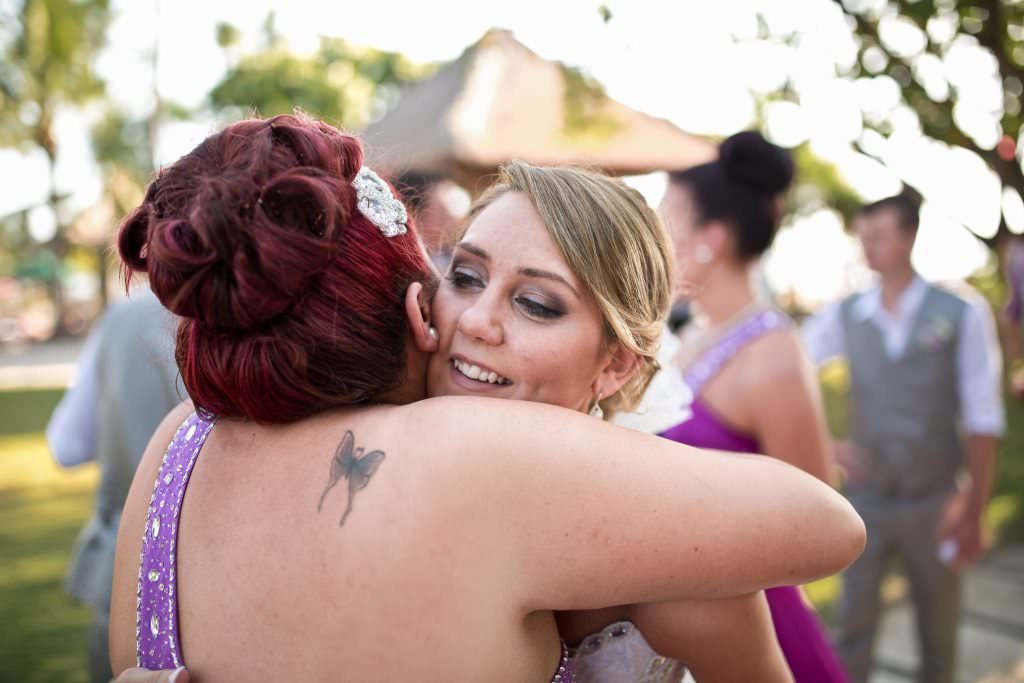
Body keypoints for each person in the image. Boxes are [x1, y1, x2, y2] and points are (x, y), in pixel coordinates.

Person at [107, 114, 864, 681]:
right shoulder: (474, 456)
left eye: (537, 304)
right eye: (463, 276)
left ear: (615, 364)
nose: (475, 318)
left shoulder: (180, 443)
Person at [605, 130, 848, 683]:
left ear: (710, 239)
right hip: (673, 611)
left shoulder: (776, 358)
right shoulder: (692, 339)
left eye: (667, 221)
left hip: (754, 621)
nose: (655, 240)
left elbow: (819, 519)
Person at [802, 193, 1005, 683]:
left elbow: (984, 415)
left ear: (909, 237)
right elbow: (789, 370)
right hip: (865, 503)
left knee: (938, 636)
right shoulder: (846, 315)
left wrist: (973, 511)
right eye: (863, 237)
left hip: (936, 501)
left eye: (878, 236)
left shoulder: (962, 313)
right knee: (851, 631)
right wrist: (827, 446)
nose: (867, 247)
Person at [46, 287, 182, 683]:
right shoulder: (259, 308)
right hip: (215, 576)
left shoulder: (120, 320)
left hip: (121, 572)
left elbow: (67, 446)